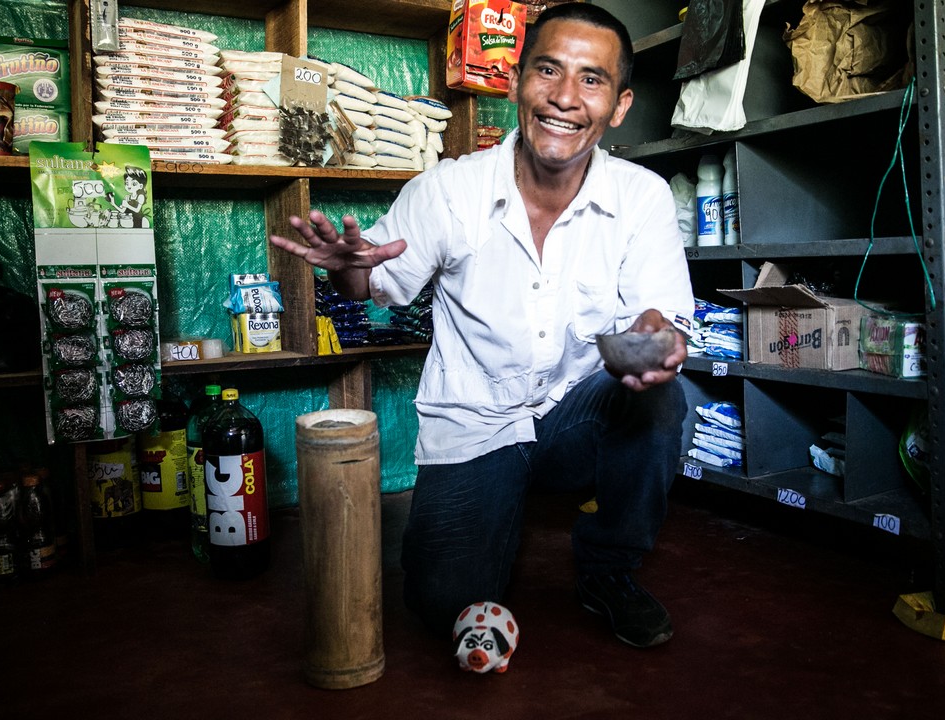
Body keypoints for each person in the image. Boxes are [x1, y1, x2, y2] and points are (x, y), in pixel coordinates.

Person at [271, 3, 694, 649]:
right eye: (548, 70)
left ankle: (609, 569)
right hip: (478, 423)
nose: (564, 98)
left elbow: (664, 314)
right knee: (440, 604)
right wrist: (345, 272)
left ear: (620, 104)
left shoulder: (642, 197)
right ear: (516, 79)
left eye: (591, 79)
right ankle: (490, 509)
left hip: (572, 416)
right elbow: (374, 286)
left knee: (663, 399)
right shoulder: (447, 190)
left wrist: (654, 336)